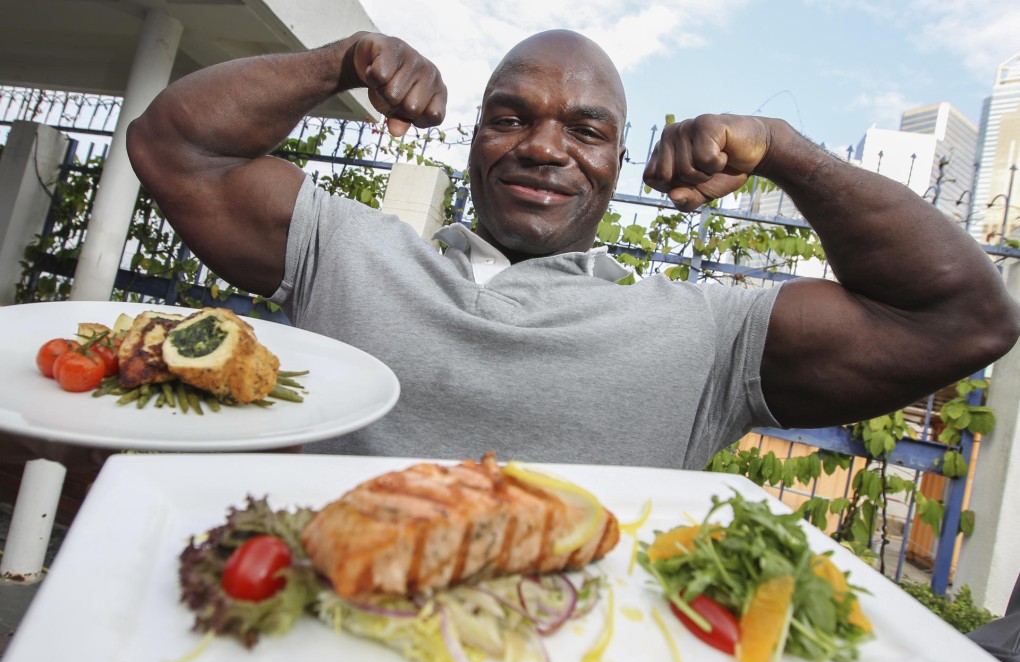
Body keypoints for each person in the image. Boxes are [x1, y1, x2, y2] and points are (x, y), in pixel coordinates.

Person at [125, 30, 1020, 468]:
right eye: (511, 118)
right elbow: (175, 146)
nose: (546, 148)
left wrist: (782, 148)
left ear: (619, 161)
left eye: (586, 131)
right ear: (472, 141)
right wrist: (339, 63)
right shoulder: (348, 251)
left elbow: (963, 317)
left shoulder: (706, 335)